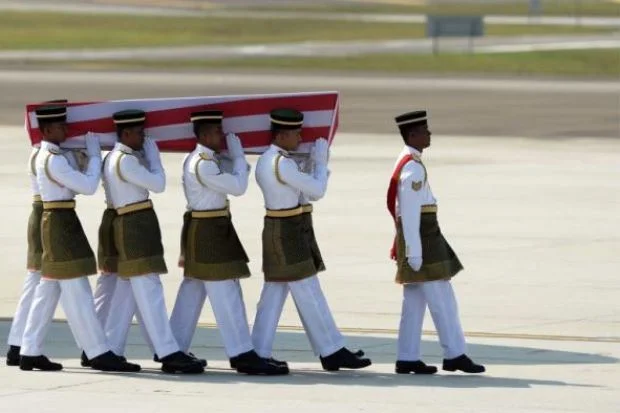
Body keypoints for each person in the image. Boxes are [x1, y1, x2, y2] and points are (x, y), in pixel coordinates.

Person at [20, 103, 140, 372]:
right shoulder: (53, 159)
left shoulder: (53, 156)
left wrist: (84, 157)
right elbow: (87, 186)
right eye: (61, 127)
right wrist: (95, 156)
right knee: (78, 290)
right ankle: (98, 352)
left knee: (48, 289)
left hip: (59, 219)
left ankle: (29, 350)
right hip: (60, 224)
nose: (66, 130)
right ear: (47, 130)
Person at [251, 108, 371, 371]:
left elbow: (309, 195)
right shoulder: (281, 163)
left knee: (274, 294)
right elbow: (317, 190)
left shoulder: (273, 160)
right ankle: (332, 350)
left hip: (287, 228)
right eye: (296, 133)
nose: (300, 137)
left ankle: (258, 350)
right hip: (286, 233)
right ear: (281, 135)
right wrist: (320, 163)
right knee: (308, 291)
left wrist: (311, 166)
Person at [169, 110, 288, 375]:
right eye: (215, 132)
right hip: (209, 231)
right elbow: (238, 187)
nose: (220, 136)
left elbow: (236, 178)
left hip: (208, 226)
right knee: (226, 291)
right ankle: (241, 353)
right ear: (203, 135)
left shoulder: (206, 159)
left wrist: (235, 162)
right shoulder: (203, 163)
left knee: (193, 292)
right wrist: (238, 158)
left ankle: (173, 349)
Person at [102, 109, 204, 374]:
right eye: (139, 133)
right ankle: (168, 352)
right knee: (150, 289)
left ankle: (110, 348)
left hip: (132, 223)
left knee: (127, 292)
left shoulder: (114, 157)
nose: (144, 138)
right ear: (126, 133)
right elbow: (158, 184)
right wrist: (154, 157)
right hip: (135, 228)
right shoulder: (126, 161)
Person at [387, 110, 485, 374]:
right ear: (412, 135)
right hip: (424, 239)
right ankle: (455, 353)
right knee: (443, 300)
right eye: (424, 131)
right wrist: (414, 252)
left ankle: (407, 357)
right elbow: (409, 212)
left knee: (414, 302)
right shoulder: (412, 167)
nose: (429, 134)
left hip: (421, 237)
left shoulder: (410, 161)